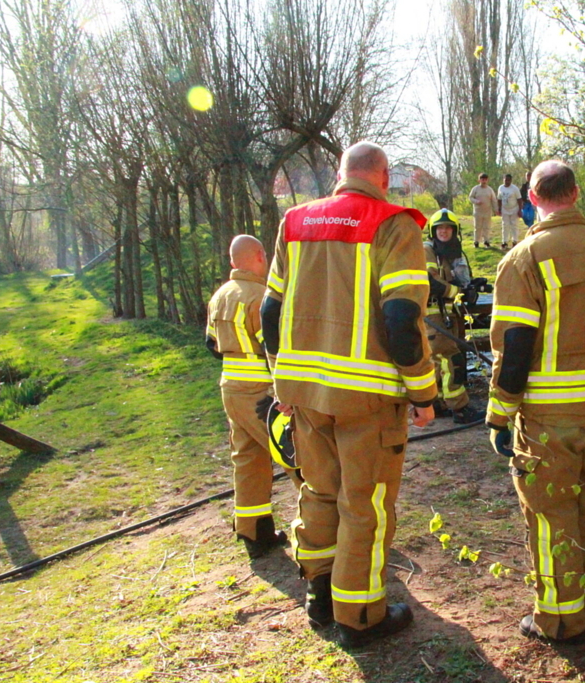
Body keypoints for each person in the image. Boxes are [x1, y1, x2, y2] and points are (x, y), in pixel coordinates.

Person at [260, 141, 437, 648]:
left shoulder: (294, 222)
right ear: (382, 178)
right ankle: (360, 617)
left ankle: (319, 594)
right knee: (365, 504)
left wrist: (282, 381)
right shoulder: (393, 223)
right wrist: (424, 393)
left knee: (318, 491)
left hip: (305, 393)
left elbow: (270, 313)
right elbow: (402, 318)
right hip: (368, 397)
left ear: (341, 174)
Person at [486, 160, 585, 641]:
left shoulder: (524, 259)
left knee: (552, 516)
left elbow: (514, 350)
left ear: (532, 198)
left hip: (547, 418)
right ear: (574, 194)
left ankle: (558, 619)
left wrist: (499, 414)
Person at [205, 234, 289, 559]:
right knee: (297, 458)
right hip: (261, 395)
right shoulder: (259, 297)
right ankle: (325, 534)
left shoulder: (218, 296)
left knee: (248, 459)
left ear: (231, 261)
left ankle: (255, 534)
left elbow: (211, 346)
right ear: (259, 255)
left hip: (230, 390)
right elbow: (274, 348)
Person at [424, 208, 484, 423]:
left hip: (448, 313)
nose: (444, 231)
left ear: (454, 231)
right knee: (452, 360)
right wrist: (456, 291)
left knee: (440, 361)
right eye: (440, 227)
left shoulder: (450, 252)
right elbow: (429, 281)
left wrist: (471, 285)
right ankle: (459, 408)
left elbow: (454, 279)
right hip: (434, 314)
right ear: (433, 230)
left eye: (448, 227)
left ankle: (437, 403)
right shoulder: (428, 251)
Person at [468, 173, 498, 248]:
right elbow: (470, 197)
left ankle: (486, 241)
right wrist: (476, 201)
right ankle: (476, 242)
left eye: (485, 179)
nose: (484, 181)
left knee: (486, 227)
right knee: (477, 227)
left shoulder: (490, 190)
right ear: (479, 180)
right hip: (478, 212)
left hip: (487, 211)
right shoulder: (475, 189)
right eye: (482, 179)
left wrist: (496, 209)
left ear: (487, 180)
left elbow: (493, 200)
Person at [497, 173, 522, 249]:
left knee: (514, 225)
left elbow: (519, 199)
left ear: (511, 180)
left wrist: (520, 210)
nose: (507, 181)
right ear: (503, 179)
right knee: (505, 225)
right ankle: (504, 241)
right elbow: (499, 199)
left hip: (514, 209)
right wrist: (499, 208)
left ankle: (515, 241)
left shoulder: (515, 188)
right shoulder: (501, 188)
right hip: (505, 209)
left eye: (508, 180)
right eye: (505, 179)